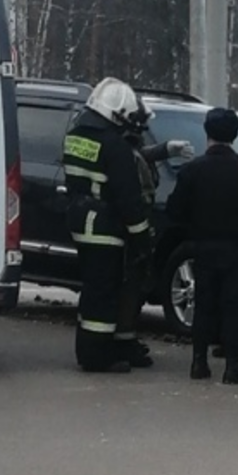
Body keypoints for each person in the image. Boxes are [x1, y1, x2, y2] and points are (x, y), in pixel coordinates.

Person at [166, 108, 238, 385]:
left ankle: (199, 362)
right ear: (235, 135)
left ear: (207, 133)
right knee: (235, 306)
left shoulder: (193, 169)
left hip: (203, 246)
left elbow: (175, 210)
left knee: (204, 304)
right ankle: (233, 365)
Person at [62, 77, 152, 373]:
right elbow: (129, 200)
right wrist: (142, 239)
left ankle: (99, 348)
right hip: (104, 227)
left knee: (93, 288)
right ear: (118, 114)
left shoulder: (76, 135)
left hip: (79, 218)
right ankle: (96, 356)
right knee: (103, 293)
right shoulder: (115, 147)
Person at [114, 96, 195, 368]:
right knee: (128, 287)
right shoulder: (120, 151)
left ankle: (125, 340)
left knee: (135, 287)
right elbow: (133, 161)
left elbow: (140, 154)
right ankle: (121, 342)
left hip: (136, 226)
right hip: (129, 229)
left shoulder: (126, 147)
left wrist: (166, 150)